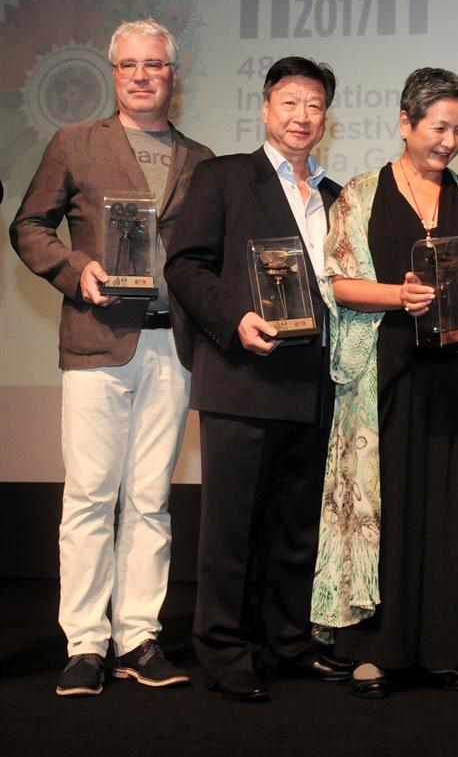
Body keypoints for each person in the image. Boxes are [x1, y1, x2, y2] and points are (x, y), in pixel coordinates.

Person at [10, 18, 214, 697]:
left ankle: (138, 636)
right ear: (114, 72)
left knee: (152, 499)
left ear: (172, 74)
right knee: (91, 496)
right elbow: (28, 224)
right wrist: (74, 268)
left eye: (154, 64)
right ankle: (84, 644)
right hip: (98, 340)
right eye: (129, 65)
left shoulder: (201, 156)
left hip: (172, 345)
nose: (142, 75)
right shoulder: (75, 142)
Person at [311, 67, 458, 699]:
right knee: (384, 507)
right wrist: (400, 296)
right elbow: (337, 282)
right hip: (383, 379)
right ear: (405, 123)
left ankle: (448, 646)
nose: (448, 140)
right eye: (437, 127)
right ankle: (375, 650)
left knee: (449, 507)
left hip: (456, 377)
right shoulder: (362, 194)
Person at [164, 56, 344, 701]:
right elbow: (185, 267)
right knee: (231, 526)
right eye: (290, 102)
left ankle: (287, 643)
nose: (302, 116)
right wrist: (234, 319)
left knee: (297, 526)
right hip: (243, 373)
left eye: (315, 105)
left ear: (327, 116)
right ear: (266, 108)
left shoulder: (336, 195)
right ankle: (223, 649)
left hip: (315, 379)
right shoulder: (221, 177)